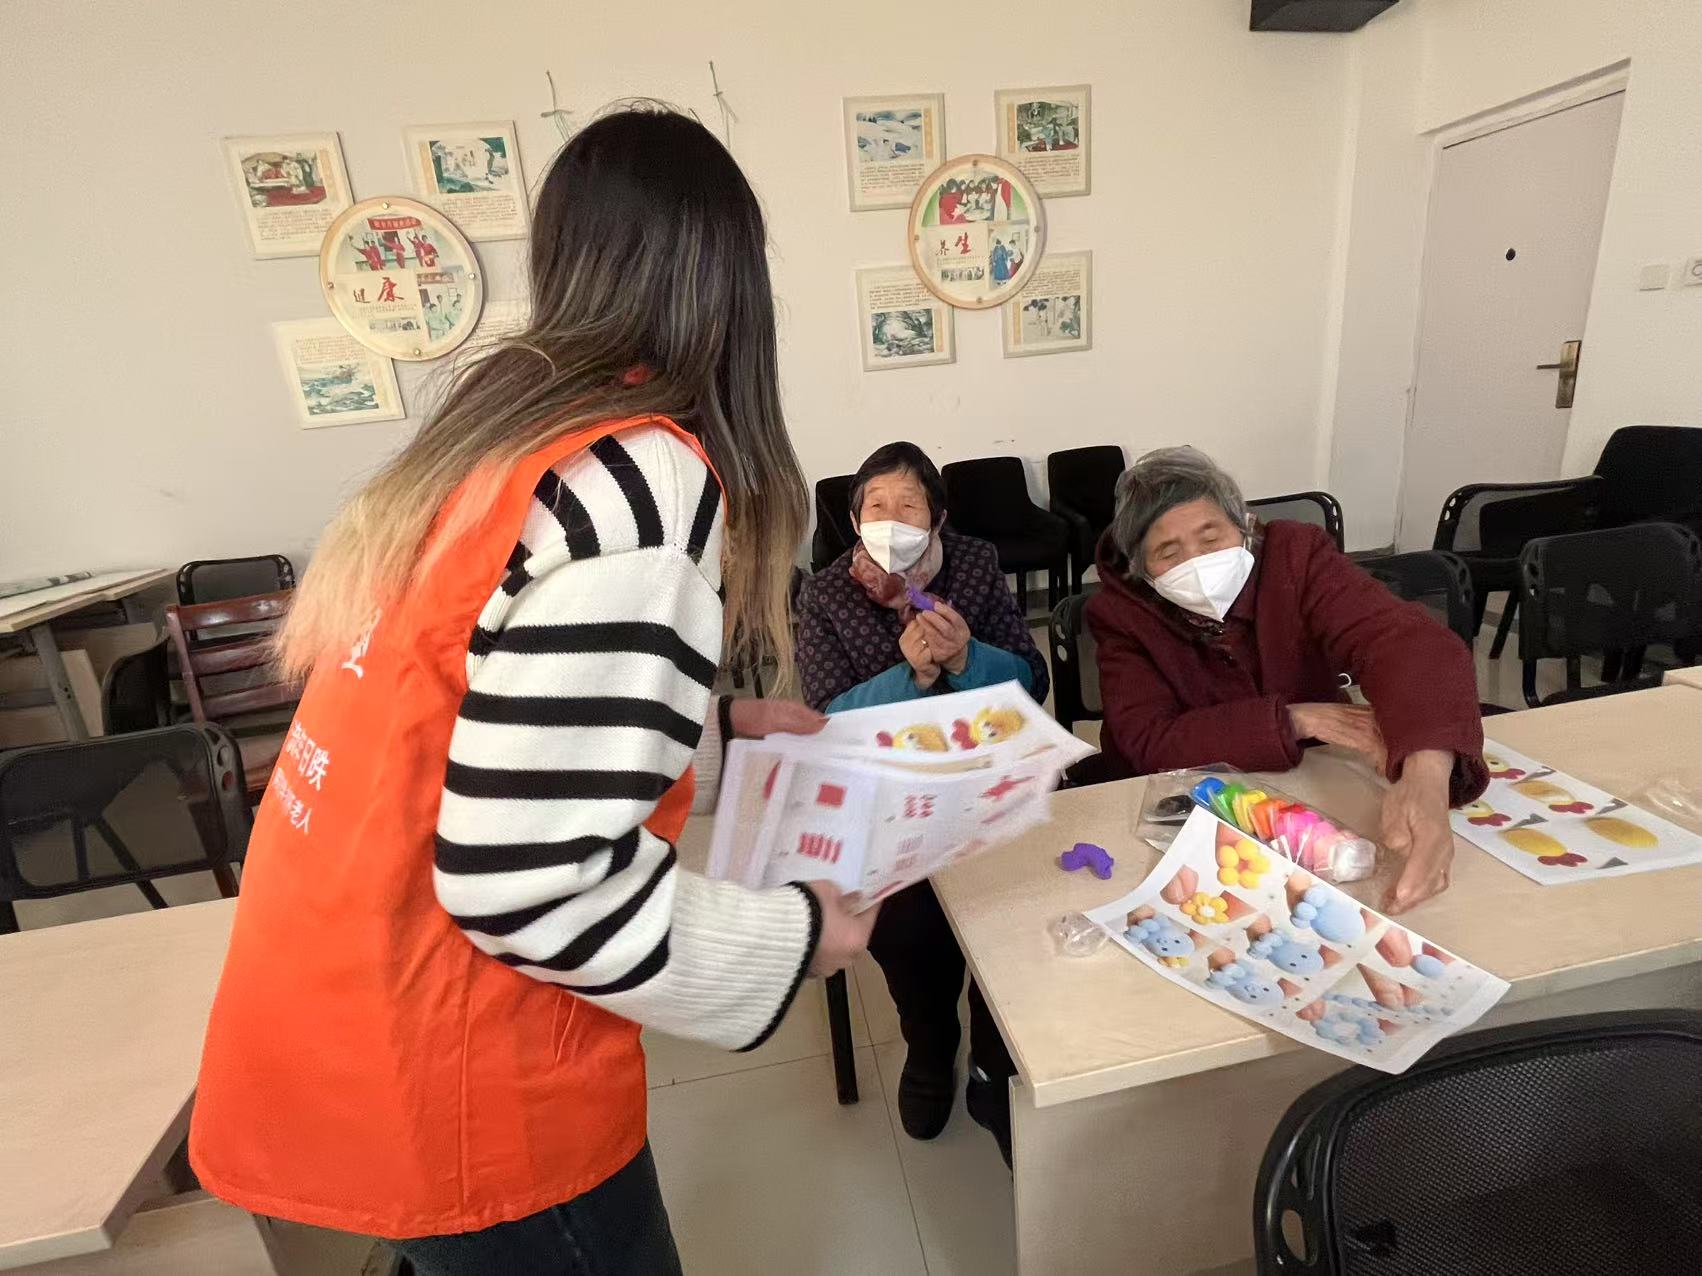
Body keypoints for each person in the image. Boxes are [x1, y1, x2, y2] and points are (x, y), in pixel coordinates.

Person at [189, 106, 878, 1276]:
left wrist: (715, 728)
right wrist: (794, 934)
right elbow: (527, 885)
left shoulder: (499, 440)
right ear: (731, 284)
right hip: (473, 1071)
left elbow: (484, 708)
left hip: (366, 1015)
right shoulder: (641, 480)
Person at [1086, 446, 1487, 915]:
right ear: (1140, 569)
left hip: (1314, 783)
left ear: (1245, 526)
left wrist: (1426, 776)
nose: (1195, 562)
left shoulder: (1296, 557)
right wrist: (1295, 720)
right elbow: (1150, 741)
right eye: (1168, 553)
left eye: (1211, 538)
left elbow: (1405, 643)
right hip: (1183, 808)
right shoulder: (1120, 613)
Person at [796, 441, 1047, 1164]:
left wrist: (968, 659)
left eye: (908, 506)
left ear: (937, 517)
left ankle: (992, 1050)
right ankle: (930, 1040)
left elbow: (1030, 682)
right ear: (853, 519)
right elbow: (826, 719)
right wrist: (911, 679)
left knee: (1011, 897)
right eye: (875, 506)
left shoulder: (973, 564)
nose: (891, 519)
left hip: (980, 770)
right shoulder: (827, 595)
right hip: (885, 789)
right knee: (905, 922)